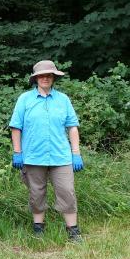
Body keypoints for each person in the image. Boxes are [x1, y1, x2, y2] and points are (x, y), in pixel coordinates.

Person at [9, 60, 84, 241]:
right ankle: (38, 230)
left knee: (67, 191)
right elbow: (16, 127)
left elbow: (72, 127)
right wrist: (17, 152)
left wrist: (76, 153)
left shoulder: (63, 99)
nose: (45, 78)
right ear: (35, 79)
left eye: (49, 75)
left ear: (53, 78)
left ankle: (73, 231)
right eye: (41, 75)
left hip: (61, 156)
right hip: (33, 156)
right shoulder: (25, 99)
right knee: (36, 193)